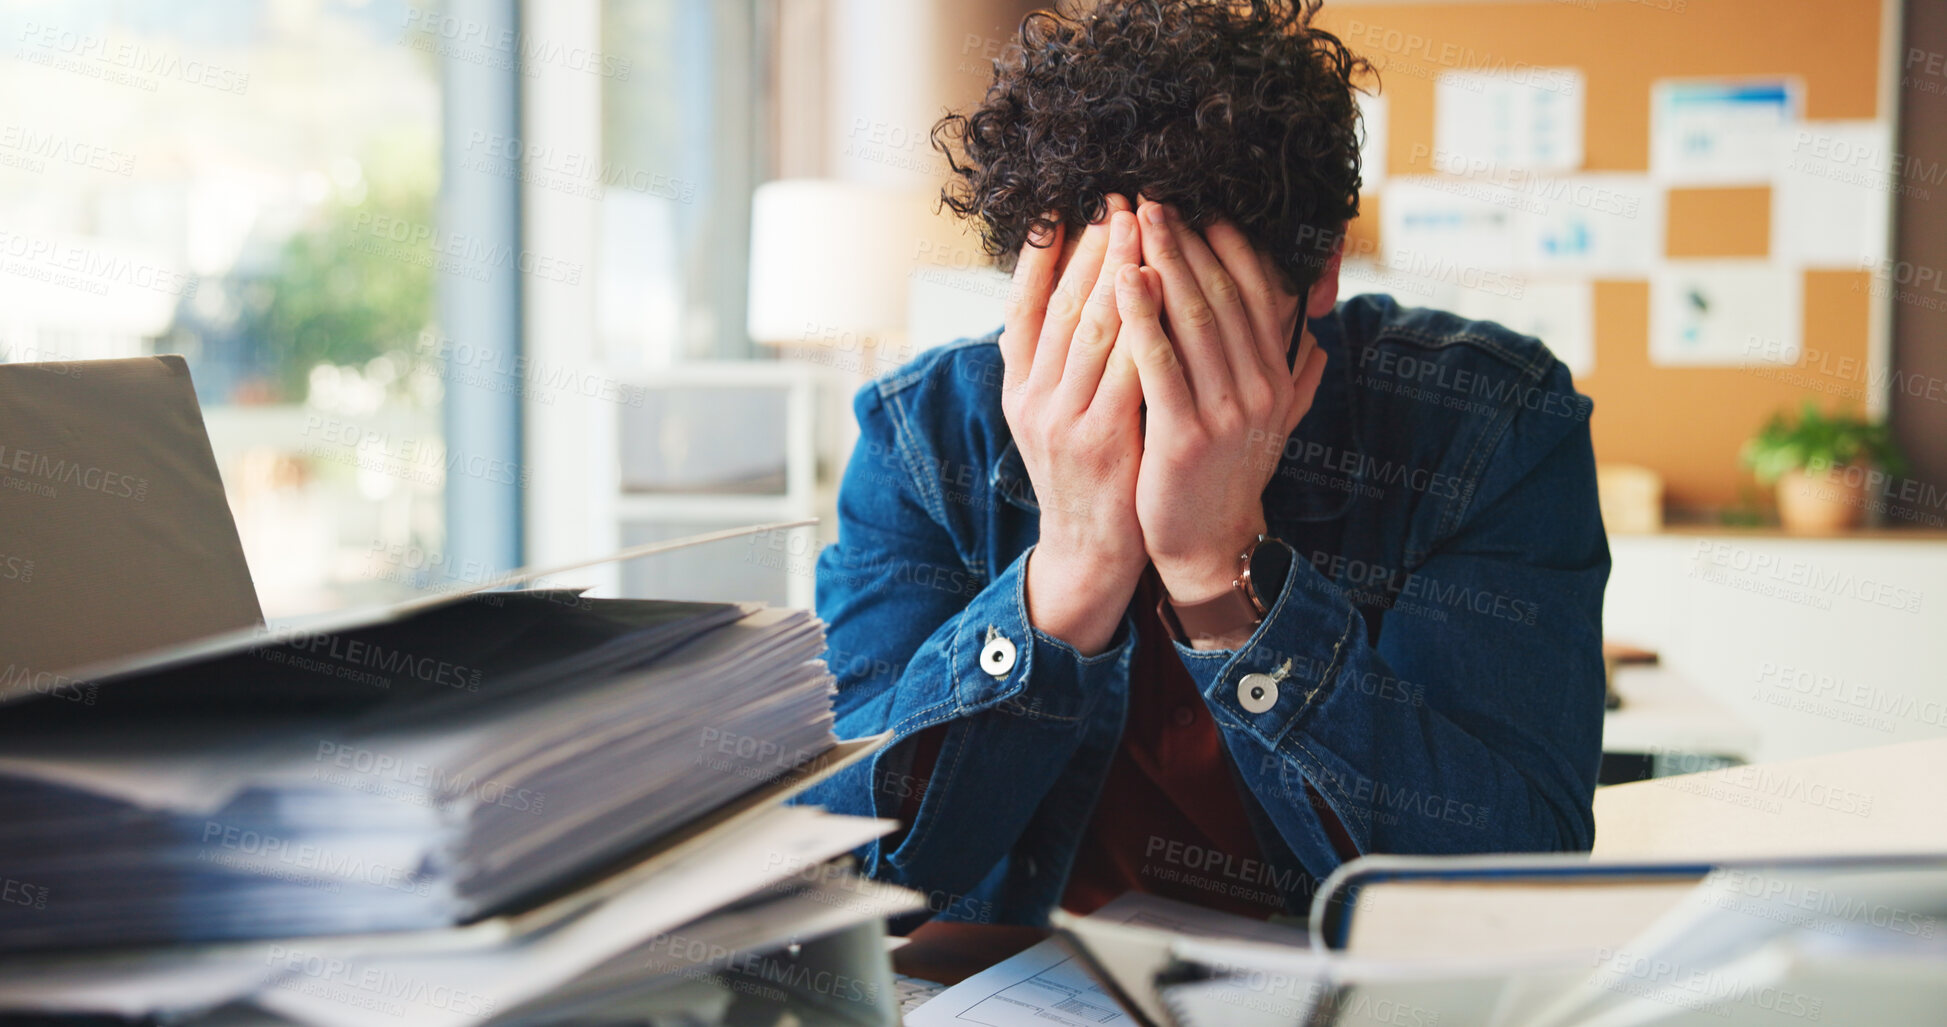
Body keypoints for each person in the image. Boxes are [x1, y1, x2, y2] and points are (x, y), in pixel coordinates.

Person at [797, 0, 1608, 926]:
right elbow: (837, 876)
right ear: (1026, 292)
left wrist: (1220, 572)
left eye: (1197, 316)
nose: (1143, 366)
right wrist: (1071, 569)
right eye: (1092, 317)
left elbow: (1507, 882)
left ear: (1323, 273)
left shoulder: (1482, 424)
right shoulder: (924, 437)